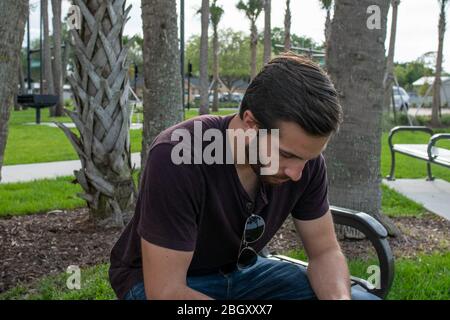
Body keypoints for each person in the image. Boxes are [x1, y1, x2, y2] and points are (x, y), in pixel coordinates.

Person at [109, 52, 380, 300]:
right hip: (163, 284)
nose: (297, 173)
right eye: (286, 155)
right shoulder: (178, 155)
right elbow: (166, 292)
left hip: (245, 274)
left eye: (307, 158)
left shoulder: (305, 163)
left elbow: (324, 253)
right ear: (250, 124)